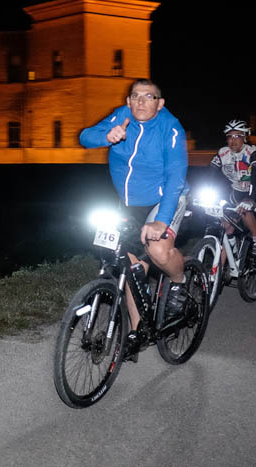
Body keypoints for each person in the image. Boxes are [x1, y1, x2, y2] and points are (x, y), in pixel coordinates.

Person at [79, 79, 189, 360]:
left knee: (158, 250)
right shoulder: (121, 116)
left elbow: (175, 177)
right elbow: (85, 137)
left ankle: (179, 282)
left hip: (165, 199)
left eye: (148, 96)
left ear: (159, 103)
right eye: (135, 96)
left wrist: (161, 221)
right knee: (132, 267)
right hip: (128, 203)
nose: (140, 101)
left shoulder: (170, 128)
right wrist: (106, 136)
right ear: (128, 101)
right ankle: (138, 333)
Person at [210, 119, 256, 260]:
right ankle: (222, 266)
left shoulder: (253, 153)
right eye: (230, 136)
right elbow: (210, 173)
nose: (233, 140)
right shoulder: (223, 153)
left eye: (237, 136)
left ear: (245, 137)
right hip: (237, 193)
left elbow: (255, 178)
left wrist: (251, 198)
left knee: (244, 208)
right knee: (226, 225)